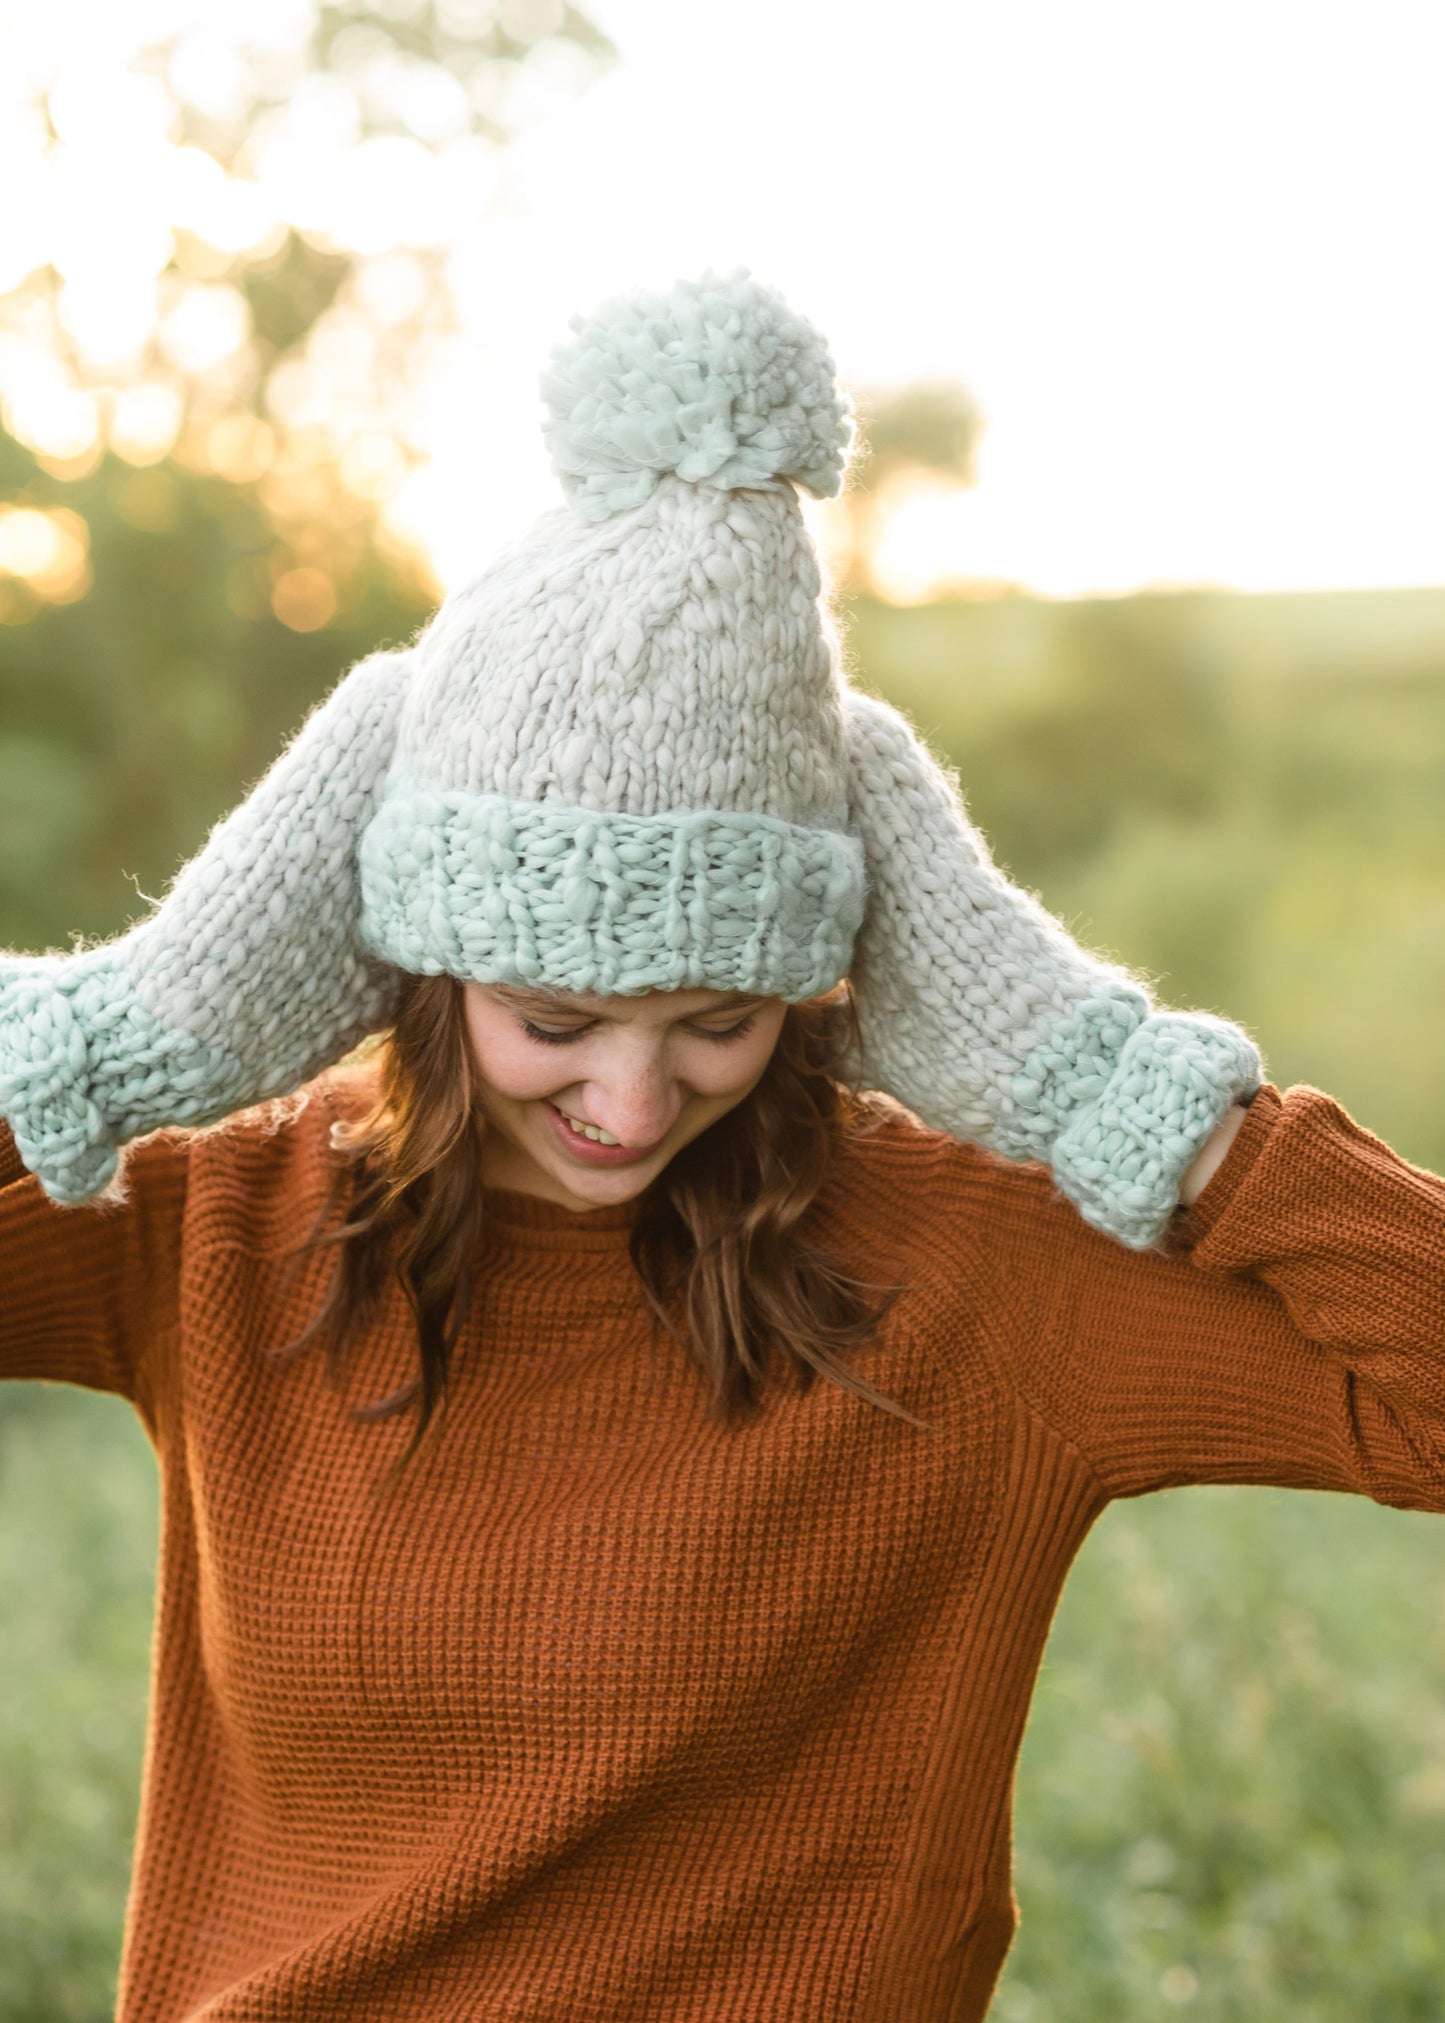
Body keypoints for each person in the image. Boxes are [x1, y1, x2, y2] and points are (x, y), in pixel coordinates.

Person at [0, 271, 1441, 2023]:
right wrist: (127, 1020)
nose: (627, 1101)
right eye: (552, 1016)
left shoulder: (967, 1271)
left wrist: (1119, 1094)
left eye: (715, 1020)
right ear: (417, 954)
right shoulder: (221, 1222)